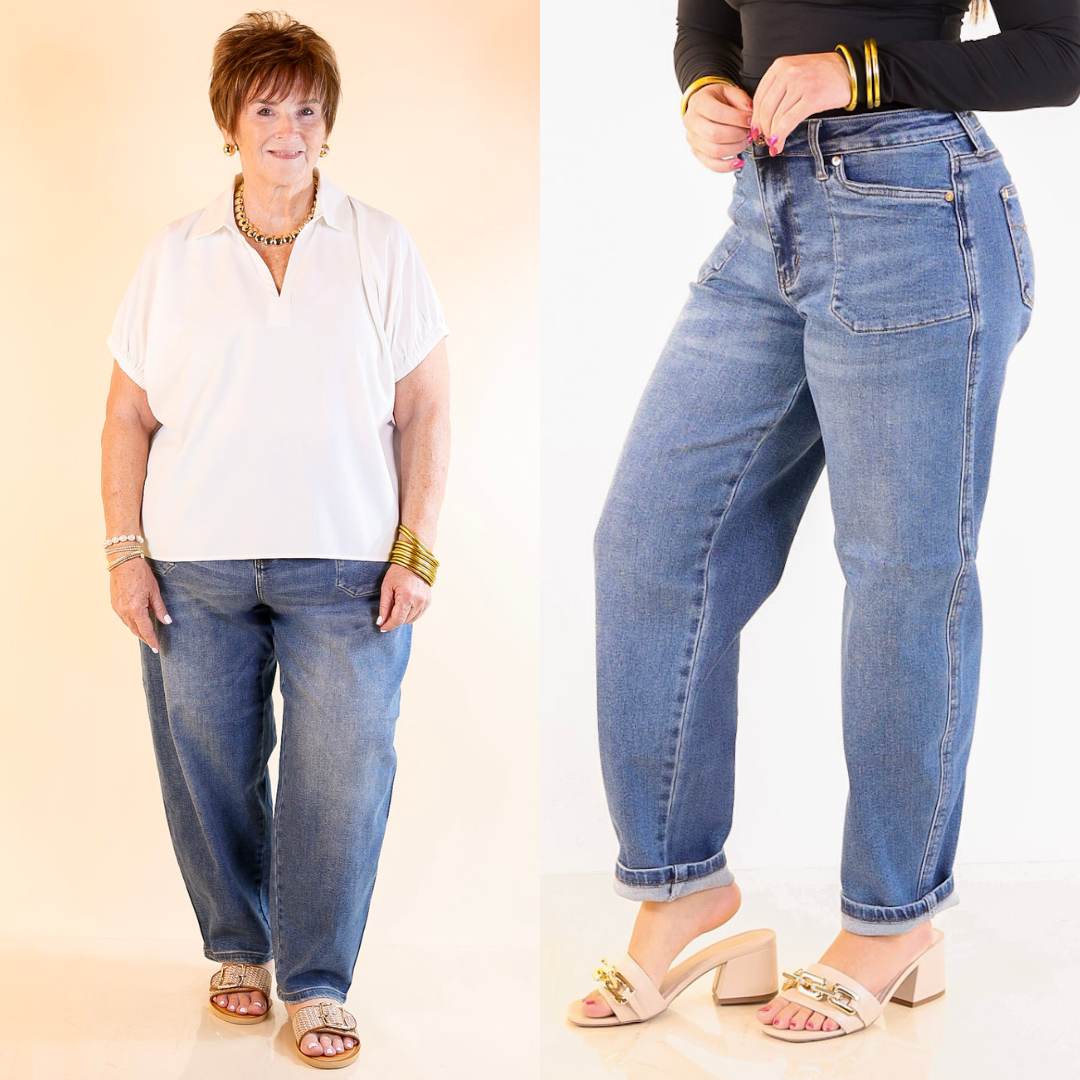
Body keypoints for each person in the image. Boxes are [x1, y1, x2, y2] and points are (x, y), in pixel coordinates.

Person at [568, 0, 1080, 1041]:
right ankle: (682, 887)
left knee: (901, 576)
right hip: (767, 217)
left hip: (917, 211)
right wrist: (703, 85)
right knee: (649, 546)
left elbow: (1062, 51)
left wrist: (860, 72)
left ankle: (894, 924)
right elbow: (709, 15)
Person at [100, 11, 450, 1068]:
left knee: (341, 772)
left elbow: (426, 407)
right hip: (192, 565)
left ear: (328, 124)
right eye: (266, 107)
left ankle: (318, 980)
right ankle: (241, 948)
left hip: (346, 565)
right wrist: (123, 551)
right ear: (230, 121)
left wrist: (417, 548)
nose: (288, 127)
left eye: (307, 107)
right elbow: (126, 414)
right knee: (208, 767)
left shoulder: (380, 242)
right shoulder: (176, 253)